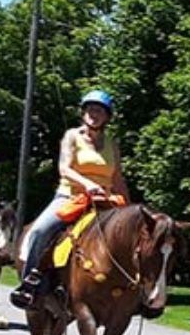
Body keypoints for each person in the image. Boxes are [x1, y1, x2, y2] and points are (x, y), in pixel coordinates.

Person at [11, 90, 129, 308]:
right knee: (39, 231)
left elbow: (117, 178)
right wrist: (88, 184)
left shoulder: (112, 144)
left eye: (99, 111)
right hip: (71, 197)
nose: (94, 114)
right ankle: (31, 284)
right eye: (90, 110)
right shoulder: (72, 136)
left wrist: (128, 208)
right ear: (83, 113)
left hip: (104, 200)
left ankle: (134, 290)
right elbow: (64, 168)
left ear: (107, 117)